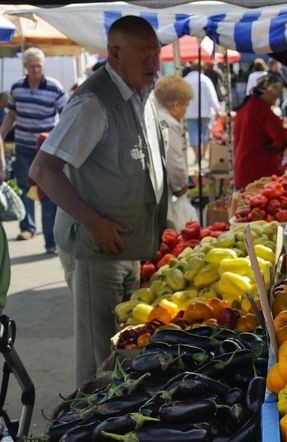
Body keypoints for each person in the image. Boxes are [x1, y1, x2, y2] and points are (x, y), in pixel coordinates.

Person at [29, 16, 167, 387]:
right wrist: (93, 221)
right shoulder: (93, 102)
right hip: (96, 251)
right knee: (98, 359)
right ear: (116, 53)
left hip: (128, 250)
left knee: (121, 350)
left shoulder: (141, 95)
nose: (154, 63)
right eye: (145, 55)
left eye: (156, 54)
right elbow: (44, 171)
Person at [0, 48, 66, 253]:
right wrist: (1, 134)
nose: (36, 70)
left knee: (47, 192)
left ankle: (50, 238)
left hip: (46, 149)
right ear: (26, 67)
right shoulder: (17, 87)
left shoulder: (55, 87)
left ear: (43, 66)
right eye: (32, 66)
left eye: (39, 66)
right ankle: (27, 227)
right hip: (24, 147)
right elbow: (11, 115)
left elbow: (66, 116)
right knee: (24, 188)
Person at [154, 75, 196, 229]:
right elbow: (174, 164)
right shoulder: (169, 124)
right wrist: (181, 187)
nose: (186, 111)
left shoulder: (151, 115)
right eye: (186, 105)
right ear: (176, 105)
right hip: (160, 195)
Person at [233, 75, 287, 190]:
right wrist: (273, 150)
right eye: (276, 94)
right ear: (267, 92)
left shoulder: (246, 106)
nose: (277, 97)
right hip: (259, 172)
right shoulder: (262, 110)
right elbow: (282, 139)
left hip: (242, 170)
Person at [184, 63, 221, 156]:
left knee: (193, 134)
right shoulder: (205, 80)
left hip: (190, 112)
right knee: (205, 133)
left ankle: (197, 156)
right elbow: (212, 96)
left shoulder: (185, 80)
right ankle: (204, 155)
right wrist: (217, 109)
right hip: (205, 112)